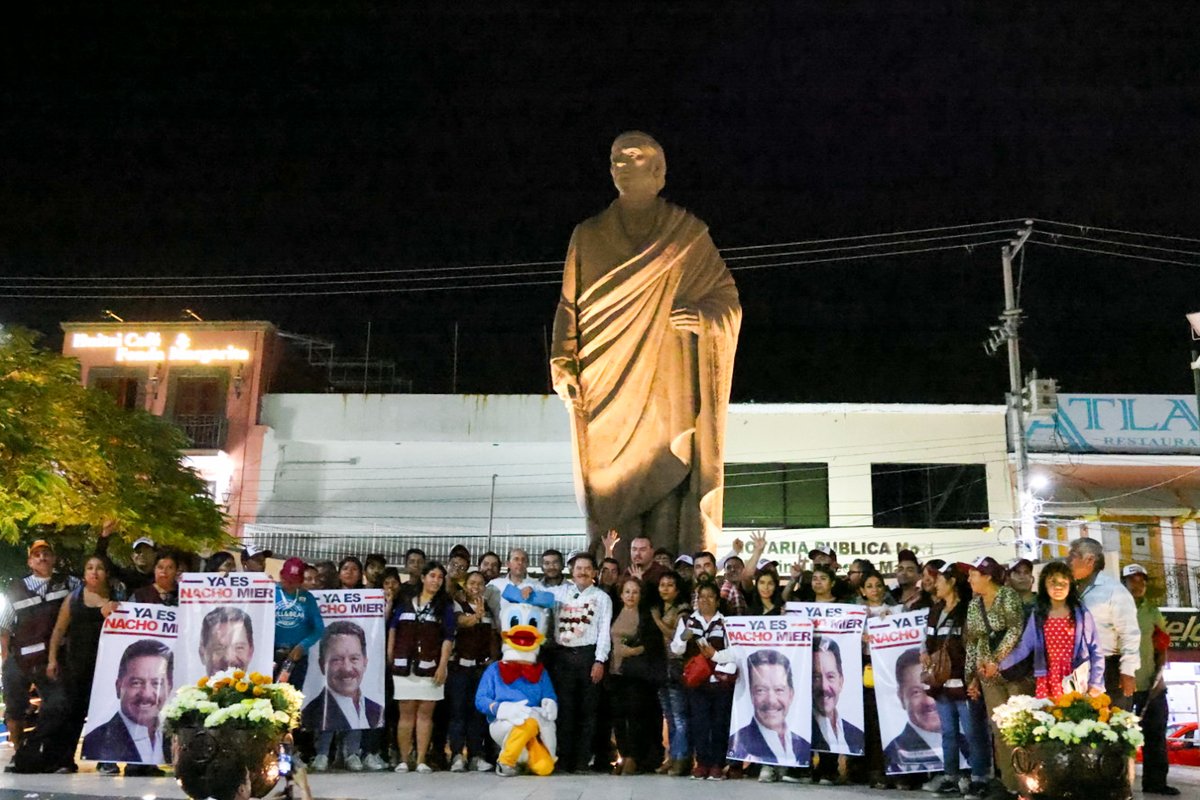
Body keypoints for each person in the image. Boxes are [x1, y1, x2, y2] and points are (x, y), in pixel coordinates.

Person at [550, 131, 741, 556]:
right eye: (615, 157)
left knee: (667, 470)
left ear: (658, 170)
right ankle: (611, 571)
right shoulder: (587, 234)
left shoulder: (686, 234)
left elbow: (726, 297)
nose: (619, 164)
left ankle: (672, 568)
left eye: (631, 157)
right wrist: (562, 362)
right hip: (605, 379)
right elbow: (568, 305)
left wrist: (706, 317)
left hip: (666, 376)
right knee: (610, 485)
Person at [1, 539, 79, 760]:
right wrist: (6, 659)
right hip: (21, 656)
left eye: (46, 553)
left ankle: (47, 750)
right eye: (37, 555)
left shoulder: (70, 583)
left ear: (54, 558)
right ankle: (19, 752)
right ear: (30, 562)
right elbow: (4, 627)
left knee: (57, 705)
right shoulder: (15, 588)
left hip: (54, 656)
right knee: (15, 707)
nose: (42, 557)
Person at [44, 555, 123, 774]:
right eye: (89, 567)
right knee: (72, 712)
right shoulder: (74, 598)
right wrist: (52, 659)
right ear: (84, 574)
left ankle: (106, 760)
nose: (94, 572)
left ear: (106, 573)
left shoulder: (118, 599)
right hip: (76, 664)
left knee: (105, 712)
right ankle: (64, 759)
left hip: (106, 665)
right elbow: (59, 630)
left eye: (99, 568)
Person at [965, 555, 1031, 799]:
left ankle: (1026, 782)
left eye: (973, 574)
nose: (969, 579)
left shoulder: (1007, 596)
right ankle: (1008, 783)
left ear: (987, 576)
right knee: (999, 727)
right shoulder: (974, 605)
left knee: (1019, 727)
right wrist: (971, 677)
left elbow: (1015, 628)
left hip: (1013, 672)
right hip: (987, 675)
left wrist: (997, 660)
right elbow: (973, 642)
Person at [923, 562, 989, 798]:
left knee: (973, 732)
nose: (935, 585)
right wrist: (925, 653)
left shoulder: (969, 609)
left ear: (951, 582)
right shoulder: (936, 609)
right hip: (940, 683)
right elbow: (928, 640)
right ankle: (950, 776)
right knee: (949, 732)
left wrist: (974, 678)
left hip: (964, 681)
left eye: (939, 580)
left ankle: (980, 777)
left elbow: (976, 645)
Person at [999, 560, 1104, 699]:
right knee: (1048, 717)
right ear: (1044, 584)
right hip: (1047, 677)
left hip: (1076, 678)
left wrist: (1096, 683)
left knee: (1076, 716)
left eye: (1063, 583)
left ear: (1071, 585)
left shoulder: (1080, 614)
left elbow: (1095, 650)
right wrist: (999, 664)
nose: (1058, 587)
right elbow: (1025, 645)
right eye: (1052, 582)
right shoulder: (1038, 614)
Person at [548, 551, 613, 774]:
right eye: (578, 568)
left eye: (587, 568)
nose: (583, 572)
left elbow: (605, 631)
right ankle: (564, 759)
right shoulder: (559, 593)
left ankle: (582, 760)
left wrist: (599, 660)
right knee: (565, 711)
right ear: (571, 572)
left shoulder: (602, 598)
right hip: (563, 657)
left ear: (594, 572)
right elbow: (536, 596)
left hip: (588, 657)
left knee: (588, 712)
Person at [388, 562, 455, 774]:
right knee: (405, 714)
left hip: (430, 667)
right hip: (404, 666)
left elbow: (448, 638)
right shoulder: (406, 603)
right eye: (432, 576)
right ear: (424, 578)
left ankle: (422, 759)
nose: (436, 580)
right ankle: (404, 758)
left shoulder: (445, 607)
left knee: (425, 715)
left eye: (440, 577)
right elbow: (393, 629)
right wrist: (390, 655)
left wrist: (443, 665)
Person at [1121, 564, 1178, 796]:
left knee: (1156, 737)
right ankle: (1120, 784)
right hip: (1124, 686)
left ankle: (1156, 783)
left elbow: (1162, 644)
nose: (1138, 585)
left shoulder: (1152, 611)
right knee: (1120, 739)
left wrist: (1160, 676)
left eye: (1141, 581)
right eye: (1132, 580)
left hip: (1152, 687)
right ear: (1123, 583)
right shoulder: (1116, 609)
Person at [671, 578, 736, 781]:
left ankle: (717, 764)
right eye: (701, 597)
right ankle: (702, 763)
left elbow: (735, 653)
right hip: (696, 681)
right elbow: (675, 649)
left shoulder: (726, 623)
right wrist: (683, 638)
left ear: (717, 600)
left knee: (719, 723)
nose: (705, 600)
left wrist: (714, 655)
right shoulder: (687, 621)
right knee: (699, 723)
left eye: (710, 597)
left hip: (720, 681)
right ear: (696, 600)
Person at [1068, 537, 1140, 709]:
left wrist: (1128, 671)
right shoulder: (1070, 590)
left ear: (1090, 560)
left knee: (1111, 728)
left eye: (1073, 556)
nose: (1068, 560)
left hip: (1110, 670)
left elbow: (1129, 633)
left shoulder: (1113, 590)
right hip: (1076, 669)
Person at [82, 639, 174, 765]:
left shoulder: (177, 738)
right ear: (118, 686)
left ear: (169, 687)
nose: (146, 693)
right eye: (136, 683)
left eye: (156, 683)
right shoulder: (96, 742)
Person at [607, 576, 664, 775]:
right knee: (618, 717)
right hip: (614, 672)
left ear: (641, 595)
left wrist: (632, 651)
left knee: (636, 716)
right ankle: (623, 755)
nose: (631, 595)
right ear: (621, 594)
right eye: (627, 591)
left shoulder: (646, 615)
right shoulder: (613, 612)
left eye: (635, 591)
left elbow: (653, 644)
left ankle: (634, 757)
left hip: (636, 674)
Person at [447, 569, 498, 773]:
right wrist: (475, 615)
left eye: (479, 584)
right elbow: (462, 622)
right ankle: (458, 755)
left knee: (477, 713)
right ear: (465, 586)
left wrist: (493, 659)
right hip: (459, 667)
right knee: (458, 712)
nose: (475, 587)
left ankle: (476, 755)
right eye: (472, 583)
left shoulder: (488, 611)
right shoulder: (457, 605)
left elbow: (493, 636)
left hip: (479, 669)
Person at [728, 649, 810, 769]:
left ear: (791, 694)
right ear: (751, 694)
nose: (771, 700)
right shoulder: (739, 744)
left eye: (779, 690)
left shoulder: (803, 744)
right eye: (761, 690)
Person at [302, 622, 384, 731]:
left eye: (354, 658)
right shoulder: (310, 716)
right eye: (337, 660)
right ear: (322, 665)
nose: (347, 668)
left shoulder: (378, 711)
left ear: (365, 662)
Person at [651, 570, 691, 776]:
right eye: (662, 585)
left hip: (676, 666)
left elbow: (677, 636)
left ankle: (682, 758)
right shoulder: (661, 607)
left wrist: (657, 620)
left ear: (677, 590)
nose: (664, 589)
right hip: (661, 666)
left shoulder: (682, 610)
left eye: (669, 585)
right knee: (669, 716)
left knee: (679, 716)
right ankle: (673, 755)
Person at [884, 648, 943, 774]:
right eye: (916, 692)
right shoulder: (893, 754)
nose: (929, 701)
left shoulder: (969, 744)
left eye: (931, 687)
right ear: (901, 697)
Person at [274, 557, 324, 690]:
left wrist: (303, 646)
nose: (290, 584)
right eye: (287, 579)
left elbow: (318, 629)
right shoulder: (270, 592)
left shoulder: (307, 598)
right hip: (272, 654)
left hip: (296, 657)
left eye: (294, 581)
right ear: (280, 575)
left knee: (291, 699)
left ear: (301, 581)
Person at [811, 636, 865, 755]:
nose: (824, 686)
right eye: (816, 677)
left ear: (841, 681)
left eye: (830, 676)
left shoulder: (856, 734)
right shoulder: (800, 735)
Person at [95, 522, 156, 593]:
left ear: (155, 554)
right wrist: (104, 537)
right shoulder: (125, 575)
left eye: (146, 550)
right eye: (138, 551)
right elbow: (100, 559)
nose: (141, 554)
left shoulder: (163, 576)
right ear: (132, 557)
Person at [485, 548, 541, 622]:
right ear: (508, 564)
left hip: (528, 632)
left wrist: (535, 595)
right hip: (499, 632)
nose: (520, 562)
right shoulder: (495, 584)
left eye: (523, 560)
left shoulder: (537, 585)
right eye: (516, 559)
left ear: (527, 564)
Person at [199, 606, 255, 675]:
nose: (229, 658)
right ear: (202, 653)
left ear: (250, 652)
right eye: (219, 648)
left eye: (239, 648)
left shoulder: (265, 685)